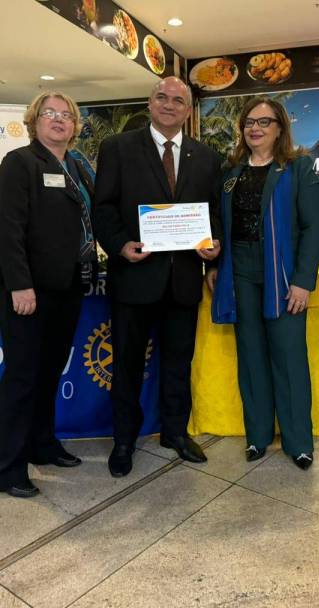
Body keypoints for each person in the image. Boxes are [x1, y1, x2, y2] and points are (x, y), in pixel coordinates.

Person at [94, 76, 221, 477]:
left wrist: (213, 245)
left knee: (178, 363)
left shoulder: (206, 157)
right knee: (127, 365)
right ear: (150, 104)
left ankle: (175, 433)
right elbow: (103, 208)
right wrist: (120, 245)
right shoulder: (118, 147)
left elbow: (213, 212)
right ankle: (124, 440)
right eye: (162, 97)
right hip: (134, 279)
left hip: (183, 280)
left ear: (188, 110)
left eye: (178, 100)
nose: (169, 104)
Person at [209, 97, 319, 467]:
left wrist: (303, 281)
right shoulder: (231, 172)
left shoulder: (298, 167)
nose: (255, 128)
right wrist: (215, 263)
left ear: (280, 128)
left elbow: (314, 226)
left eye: (264, 122)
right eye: (249, 122)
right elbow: (221, 224)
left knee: (289, 357)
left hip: (284, 273)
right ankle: (257, 436)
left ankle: (298, 442)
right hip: (239, 270)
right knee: (251, 355)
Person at [0, 91, 96, 499]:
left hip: (68, 285)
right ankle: (8, 466)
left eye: (66, 114)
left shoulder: (76, 165)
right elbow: (7, 228)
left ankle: (42, 443)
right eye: (49, 113)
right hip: (30, 289)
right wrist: (19, 283)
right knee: (22, 378)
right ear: (34, 121)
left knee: (49, 372)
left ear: (74, 125)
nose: (59, 119)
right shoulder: (19, 163)